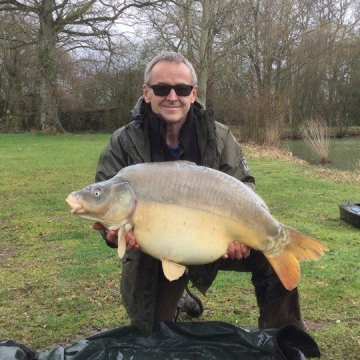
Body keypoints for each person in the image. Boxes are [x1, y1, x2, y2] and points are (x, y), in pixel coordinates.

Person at [93, 51, 306, 334]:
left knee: (271, 253)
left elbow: (243, 186)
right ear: (146, 93)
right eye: (161, 88)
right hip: (157, 247)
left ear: (193, 94)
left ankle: (285, 338)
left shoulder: (219, 136)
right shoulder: (124, 141)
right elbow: (105, 200)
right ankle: (177, 296)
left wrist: (241, 235)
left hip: (215, 237)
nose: (172, 96)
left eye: (181, 89)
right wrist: (110, 234)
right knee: (151, 334)